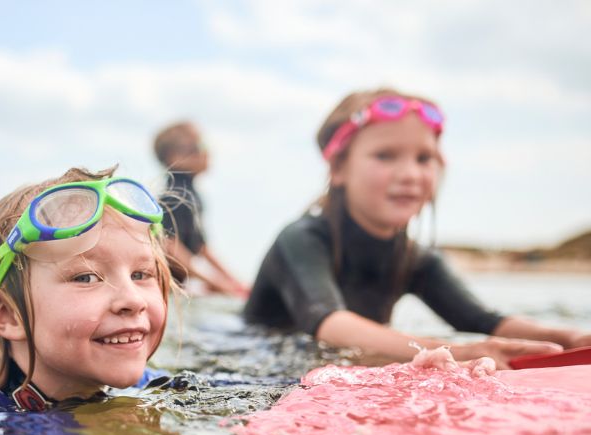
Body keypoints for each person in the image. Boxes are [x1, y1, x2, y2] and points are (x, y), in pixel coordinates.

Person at [244, 88, 591, 368]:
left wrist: (566, 338)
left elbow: (484, 320)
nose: (410, 175)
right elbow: (329, 323)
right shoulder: (302, 239)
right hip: (257, 362)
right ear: (338, 168)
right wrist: (454, 351)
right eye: (385, 156)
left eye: (424, 159)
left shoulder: (416, 259)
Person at [0, 166, 174, 410]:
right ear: (7, 313)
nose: (133, 300)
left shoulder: (161, 387)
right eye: (86, 278)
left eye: (140, 274)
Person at [153, 121, 249, 297]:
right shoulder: (174, 196)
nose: (207, 152)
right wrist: (221, 285)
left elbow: (202, 247)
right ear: (173, 157)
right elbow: (170, 246)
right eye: (199, 146)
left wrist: (235, 283)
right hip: (165, 289)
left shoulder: (191, 195)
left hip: (179, 285)